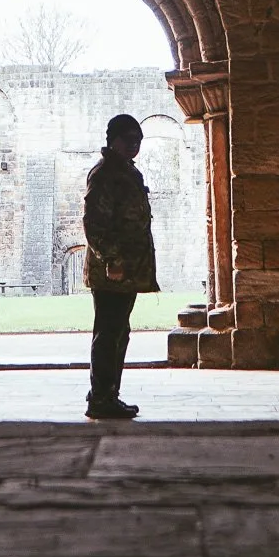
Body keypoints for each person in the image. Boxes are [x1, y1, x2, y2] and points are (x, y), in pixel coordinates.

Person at [82, 112, 158, 420]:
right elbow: (94, 223)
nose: (134, 145)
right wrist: (111, 259)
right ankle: (101, 397)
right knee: (109, 332)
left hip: (129, 268)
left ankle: (108, 394)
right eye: (128, 139)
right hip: (113, 270)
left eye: (138, 140)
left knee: (118, 331)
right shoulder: (105, 174)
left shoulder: (126, 171)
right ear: (112, 140)